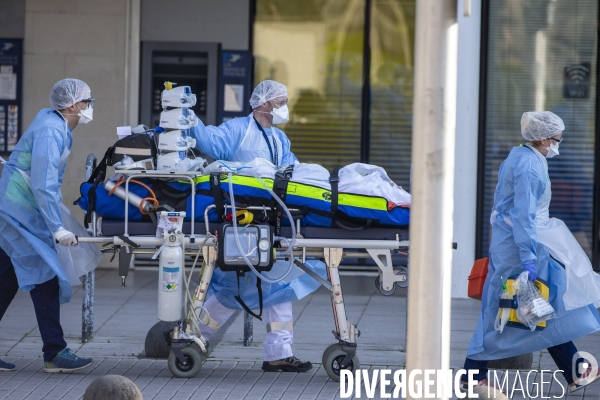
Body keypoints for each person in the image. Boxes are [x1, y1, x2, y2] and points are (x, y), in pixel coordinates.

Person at [462, 111, 600, 393]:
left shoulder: (520, 156)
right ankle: (472, 375)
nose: (557, 145)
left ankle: (575, 370)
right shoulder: (530, 168)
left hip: (515, 243)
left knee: (539, 309)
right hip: (521, 246)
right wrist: (527, 257)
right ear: (542, 138)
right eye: (556, 140)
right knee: (518, 309)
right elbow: (523, 215)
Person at [189, 80, 321, 372]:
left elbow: (290, 172)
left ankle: (278, 352)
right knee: (235, 287)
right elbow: (209, 143)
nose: (285, 107)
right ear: (262, 103)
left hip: (269, 219)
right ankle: (195, 337)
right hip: (241, 221)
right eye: (281, 101)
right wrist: (188, 116)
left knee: (278, 283)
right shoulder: (238, 129)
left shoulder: (279, 139)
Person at [0, 79, 95, 373]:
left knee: (7, 279)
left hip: (16, 207)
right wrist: (56, 228)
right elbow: (42, 182)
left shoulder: (54, 122)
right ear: (70, 105)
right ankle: (54, 351)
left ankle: (54, 350)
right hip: (19, 211)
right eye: (86, 102)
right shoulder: (51, 131)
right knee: (44, 275)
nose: (89, 108)